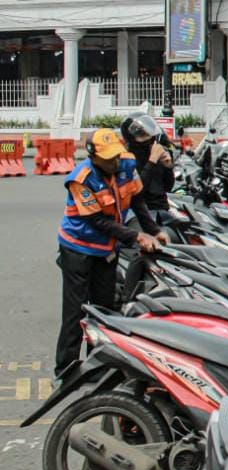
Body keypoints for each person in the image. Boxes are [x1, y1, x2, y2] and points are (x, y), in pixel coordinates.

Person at [55, 129, 168, 378]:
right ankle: (66, 368)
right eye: (107, 158)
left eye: (115, 156)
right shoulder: (81, 178)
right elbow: (98, 221)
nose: (113, 162)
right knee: (76, 310)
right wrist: (137, 236)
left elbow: (137, 200)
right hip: (78, 248)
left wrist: (153, 230)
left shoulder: (126, 163)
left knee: (104, 307)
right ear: (93, 156)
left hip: (107, 249)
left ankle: (98, 363)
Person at [120, 112, 173, 212]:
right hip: (141, 212)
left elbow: (168, 187)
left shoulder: (154, 151)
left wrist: (168, 167)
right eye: (142, 135)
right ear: (131, 137)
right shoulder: (127, 159)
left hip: (162, 208)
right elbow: (137, 191)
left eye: (148, 134)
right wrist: (151, 161)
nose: (148, 138)